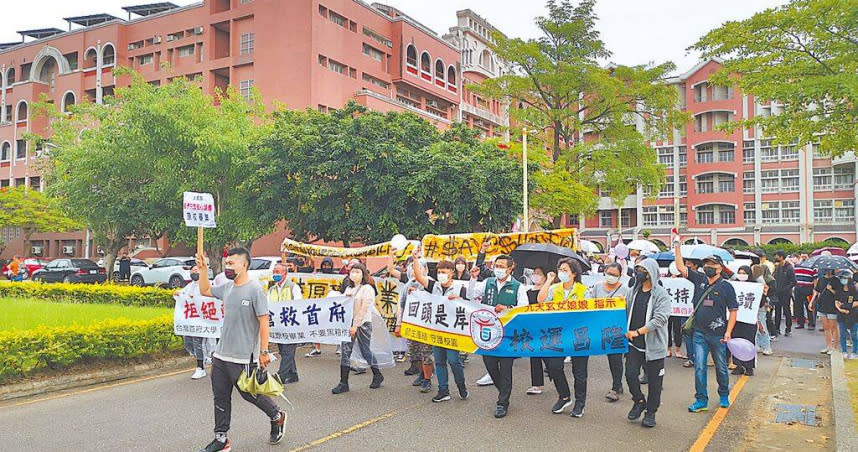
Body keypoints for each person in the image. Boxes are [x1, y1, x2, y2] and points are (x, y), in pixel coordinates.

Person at [195, 248, 286, 452]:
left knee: (249, 393)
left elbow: (264, 321)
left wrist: (264, 351)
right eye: (227, 263)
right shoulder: (227, 287)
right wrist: (203, 269)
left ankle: (277, 415)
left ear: (244, 265)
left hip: (244, 357)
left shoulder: (255, 290)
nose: (228, 267)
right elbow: (205, 290)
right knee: (220, 396)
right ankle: (221, 439)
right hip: (221, 355)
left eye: (232, 263)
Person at [675, 244, 738, 413]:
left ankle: (724, 394)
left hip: (718, 335)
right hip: (699, 334)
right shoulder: (699, 279)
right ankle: (701, 400)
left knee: (721, 367)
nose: (709, 267)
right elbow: (680, 267)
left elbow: (733, 311)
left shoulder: (726, 287)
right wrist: (676, 246)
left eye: (713, 265)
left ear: (720, 267)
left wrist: (728, 332)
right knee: (700, 367)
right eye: (707, 264)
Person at [468, 254, 528, 418]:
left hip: (507, 334)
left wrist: (508, 307)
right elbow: (471, 295)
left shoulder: (517, 286)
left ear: (510, 268)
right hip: (488, 332)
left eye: (502, 266)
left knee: (506, 367)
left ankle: (502, 402)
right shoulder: (488, 282)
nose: (498, 269)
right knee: (490, 365)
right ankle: (504, 390)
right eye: (497, 266)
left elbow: (524, 307)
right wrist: (473, 279)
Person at [537, 258, 589, 417]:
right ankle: (564, 396)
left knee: (579, 372)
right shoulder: (555, 288)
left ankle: (580, 403)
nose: (562, 272)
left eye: (565, 270)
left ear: (574, 273)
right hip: (557, 334)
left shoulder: (583, 290)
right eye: (560, 269)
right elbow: (541, 300)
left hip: (578, 335)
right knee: (553, 366)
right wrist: (549, 280)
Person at [414, 259, 470, 402]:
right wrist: (415, 259)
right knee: (439, 361)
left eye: (444, 272)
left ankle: (461, 386)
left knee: (453, 360)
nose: (441, 275)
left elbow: (469, 306)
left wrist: (459, 299)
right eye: (439, 272)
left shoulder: (460, 287)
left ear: (452, 273)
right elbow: (419, 277)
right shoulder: (434, 286)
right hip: (437, 330)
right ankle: (443, 390)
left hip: (453, 331)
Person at [624, 258, 671, 428]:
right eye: (637, 269)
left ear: (651, 272)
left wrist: (638, 332)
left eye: (642, 269)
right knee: (630, 375)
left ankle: (651, 412)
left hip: (653, 346)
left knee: (654, 382)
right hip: (633, 345)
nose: (638, 272)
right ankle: (638, 400)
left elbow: (660, 319)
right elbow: (622, 311)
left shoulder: (661, 295)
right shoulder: (632, 292)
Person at [332, 262, 384, 394]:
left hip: (363, 323)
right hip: (348, 323)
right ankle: (343, 382)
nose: (354, 274)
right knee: (346, 351)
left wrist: (355, 325)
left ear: (363, 274)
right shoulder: (349, 288)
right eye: (352, 271)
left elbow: (364, 308)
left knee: (365, 349)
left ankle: (377, 374)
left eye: (357, 272)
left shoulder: (367, 289)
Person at [585, 262, 628, 402]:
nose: (611, 277)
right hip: (600, 328)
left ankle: (616, 386)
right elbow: (590, 304)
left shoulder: (625, 290)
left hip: (617, 329)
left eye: (615, 275)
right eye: (609, 273)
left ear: (620, 276)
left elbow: (629, 309)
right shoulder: (597, 287)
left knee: (615, 358)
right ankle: (618, 384)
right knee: (609, 357)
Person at [392, 253, 435, 393]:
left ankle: (428, 379)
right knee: (414, 352)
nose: (414, 269)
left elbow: (436, 303)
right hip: (411, 324)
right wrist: (399, 324)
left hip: (426, 324)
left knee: (426, 354)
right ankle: (421, 374)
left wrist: (418, 293)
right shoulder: (407, 285)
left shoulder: (431, 283)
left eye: (417, 267)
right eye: (412, 267)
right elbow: (402, 305)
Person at [267, 263, 303, 384]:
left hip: (291, 325)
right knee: (283, 351)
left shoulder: (293, 287)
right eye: (274, 272)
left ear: (285, 273)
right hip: (278, 326)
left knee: (288, 351)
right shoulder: (272, 289)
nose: (275, 274)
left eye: (278, 272)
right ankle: (293, 374)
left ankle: (280, 377)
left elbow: (299, 305)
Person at [178, 264, 212, 380]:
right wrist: (178, 294)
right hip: (191, 320)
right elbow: (182, 295)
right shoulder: (190, 286)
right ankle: (203, 357)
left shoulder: (208, 284)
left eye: (196, 270)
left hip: (203, 321)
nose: (194, 272)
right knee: (187, 341)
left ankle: (200, 367)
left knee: (198, 342)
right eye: (192, 270)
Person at [729, 266, 759, 376]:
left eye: (744, 273)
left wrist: (764, 293)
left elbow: (759, 303)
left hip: (749, 320)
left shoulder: (755, 286)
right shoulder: (733, 285)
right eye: (740, 272)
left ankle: (749, 366)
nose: (741, 275)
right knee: (736, 342)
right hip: (736, 319)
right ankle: (738, 365)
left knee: (749, 342)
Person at [525, 266, 549, 395]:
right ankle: (536, 384)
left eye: (539, 273)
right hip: (532, 327)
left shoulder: (550, 291)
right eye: (534, 273)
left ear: (545, 276)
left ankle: (554, 375)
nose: (535, 275)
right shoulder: (528, 292)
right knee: (534, 355)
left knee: (548, 356)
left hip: (547, 327)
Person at [809, 268, 840, 354]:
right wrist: (811, 302)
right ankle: (828, 346)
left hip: (832, 306)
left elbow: (839, 294)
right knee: (826, 327)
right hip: (822, 305)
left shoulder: (836, 280)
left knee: (833, 327)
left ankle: (835, 347)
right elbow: (816, 291)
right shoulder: (821, 279)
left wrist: (831, 289)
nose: (828, 271)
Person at [833, 269, 858, 358]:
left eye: (844, 278)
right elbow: (836, 302)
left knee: (854, 334)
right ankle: (844, 351)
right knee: (842, 334)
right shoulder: (839, 290)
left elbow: (856, 303)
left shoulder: (854, 290)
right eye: (841, 278)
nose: (843, 280)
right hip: (841, 315)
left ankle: (855, 352)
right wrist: (840, 309)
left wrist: (846, 306)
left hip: (853, 315)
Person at [751, 264, 774, 356]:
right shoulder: (760, 279)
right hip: (758, 305)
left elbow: (764, 294)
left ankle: (767, 347)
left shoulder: (759, 280)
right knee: (758, 326)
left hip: (760, 306)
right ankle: (760, 345)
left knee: (761, 326)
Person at [772, 251, 796, 337]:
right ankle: (777, 328)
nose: (776, 257)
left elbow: (793, 282)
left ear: (781, 257)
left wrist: (785, 289)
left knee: (786, 311)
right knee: (777, 311)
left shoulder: (789, 268)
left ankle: (788, 329)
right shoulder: (778, 267)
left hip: (786, 294)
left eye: (777, 256)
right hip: (777, 293)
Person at [794, 260, 817, 330]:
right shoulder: (796, 266)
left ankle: (811, 323)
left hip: (808, 288)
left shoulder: (813, 267)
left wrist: (815, 289)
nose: (804, 258)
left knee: (809, 306)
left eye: (805, 256)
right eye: (802, 256)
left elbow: (815, 279)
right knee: (798, 306)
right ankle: (801, 323)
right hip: (798, 288)